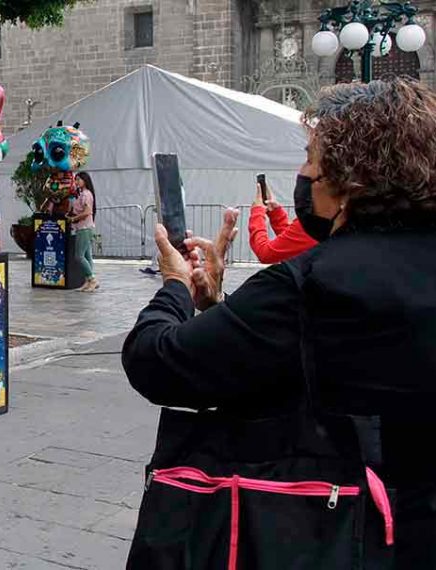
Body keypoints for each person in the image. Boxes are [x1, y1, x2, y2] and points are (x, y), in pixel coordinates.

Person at [122, 78, 436, 567]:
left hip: (330, 532)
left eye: (311, 157)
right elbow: (275, 355)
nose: (302, 172)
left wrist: (176, 287)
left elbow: (157, 361)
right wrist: (221, 304)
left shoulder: (308, 284)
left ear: (349, 176)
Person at [248, 184, 316, 263]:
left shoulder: (312, 224)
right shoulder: (325, 221)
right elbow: (294, 241)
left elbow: (265, 253)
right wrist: (276, 213)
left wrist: (257, 213)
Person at [69, 172, 98, 291]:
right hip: (84, 227)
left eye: (79, 180)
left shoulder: (86, 194)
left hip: (84, 228)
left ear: (85, 180)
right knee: (87, 255)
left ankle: (92, 279)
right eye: (76, 180)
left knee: (79, 256)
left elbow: (87, 212)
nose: (76, 182)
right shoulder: (82, 194)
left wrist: (73, 219)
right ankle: (88, 281)